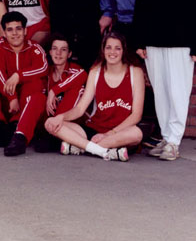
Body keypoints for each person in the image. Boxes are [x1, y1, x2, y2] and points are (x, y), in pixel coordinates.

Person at [133, 0, 196, 161]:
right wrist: (139, 43)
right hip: (154, 46)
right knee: (162, 93)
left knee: (178, 93)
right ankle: (166, 137)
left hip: (181, 47)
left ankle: (174, 142)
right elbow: (141, 14)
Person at [45, 32, 144, 161]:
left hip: (119, 132)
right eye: (108, 47)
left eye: (117, 48)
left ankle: (81, 147)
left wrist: (109, 134)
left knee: (136, 134)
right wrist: (61, 117)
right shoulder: (95, 71)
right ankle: (104, 151)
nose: (112, 52)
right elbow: (80, 109)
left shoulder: (135, 72)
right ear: (103, 50)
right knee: (50, 123)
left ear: (123, 51)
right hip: (94, 129)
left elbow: (137, 115)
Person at [0, 12, 49, 156]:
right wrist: (12, 98)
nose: (15, 33)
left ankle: (18, 126)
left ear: (25, 30)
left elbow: (43, 68)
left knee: (35, 83)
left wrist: (18, 75)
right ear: (3, 32)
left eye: (18, 29)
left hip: (23, 106)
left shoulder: (34, 48)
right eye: (10, 29)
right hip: (4, 101)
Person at [44, 33, 89, 130]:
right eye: (55, 49)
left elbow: (83, 74)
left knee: (76, 89)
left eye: (63, 50)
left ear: (69, 54)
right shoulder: (46, 72)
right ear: (50, 52)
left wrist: (54, 91)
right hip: (49, 121)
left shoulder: (75, 70)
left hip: (74, 122)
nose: (58, 53)